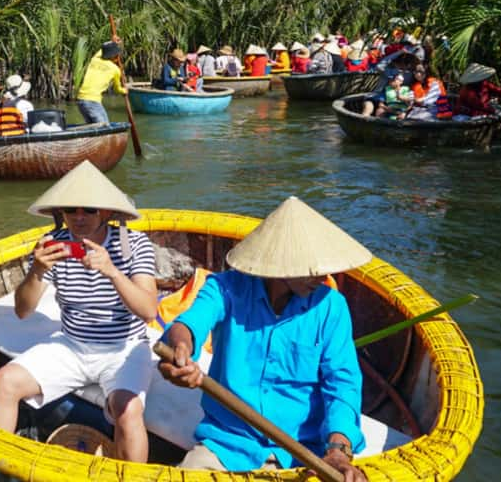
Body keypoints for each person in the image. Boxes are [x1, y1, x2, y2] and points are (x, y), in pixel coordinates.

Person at [157, 196, 369, 481]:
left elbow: (342, 385)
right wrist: (181, 349)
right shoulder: (226, 289)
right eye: (313, 268)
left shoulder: (331, 308)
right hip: (227, 445)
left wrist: (338, 450)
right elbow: (188, 324)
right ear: (280, 264)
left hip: (304, 451)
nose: (322, 277)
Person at [0, 161, 158, 462]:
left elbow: (149, 311)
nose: (79, 217)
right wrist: (37, 271)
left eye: (89, 209)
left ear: (106, 212)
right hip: (72, 344)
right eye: (70, 210)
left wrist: (113, 272)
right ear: (60, 214)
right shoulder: (54, 246)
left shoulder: (134, 245)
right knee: (5, 380)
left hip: (124, 347)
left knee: (129, 411)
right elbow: (23, 311)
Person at [77, 40, 127, 123]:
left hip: (80, 100)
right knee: (104, 127)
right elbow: (117, 89)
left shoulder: (94, 59)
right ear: (114, 56)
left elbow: (103, 49)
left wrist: (112, 41)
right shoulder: (115, 70)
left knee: (92, 127)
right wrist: (124, 91)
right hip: (92, 101)